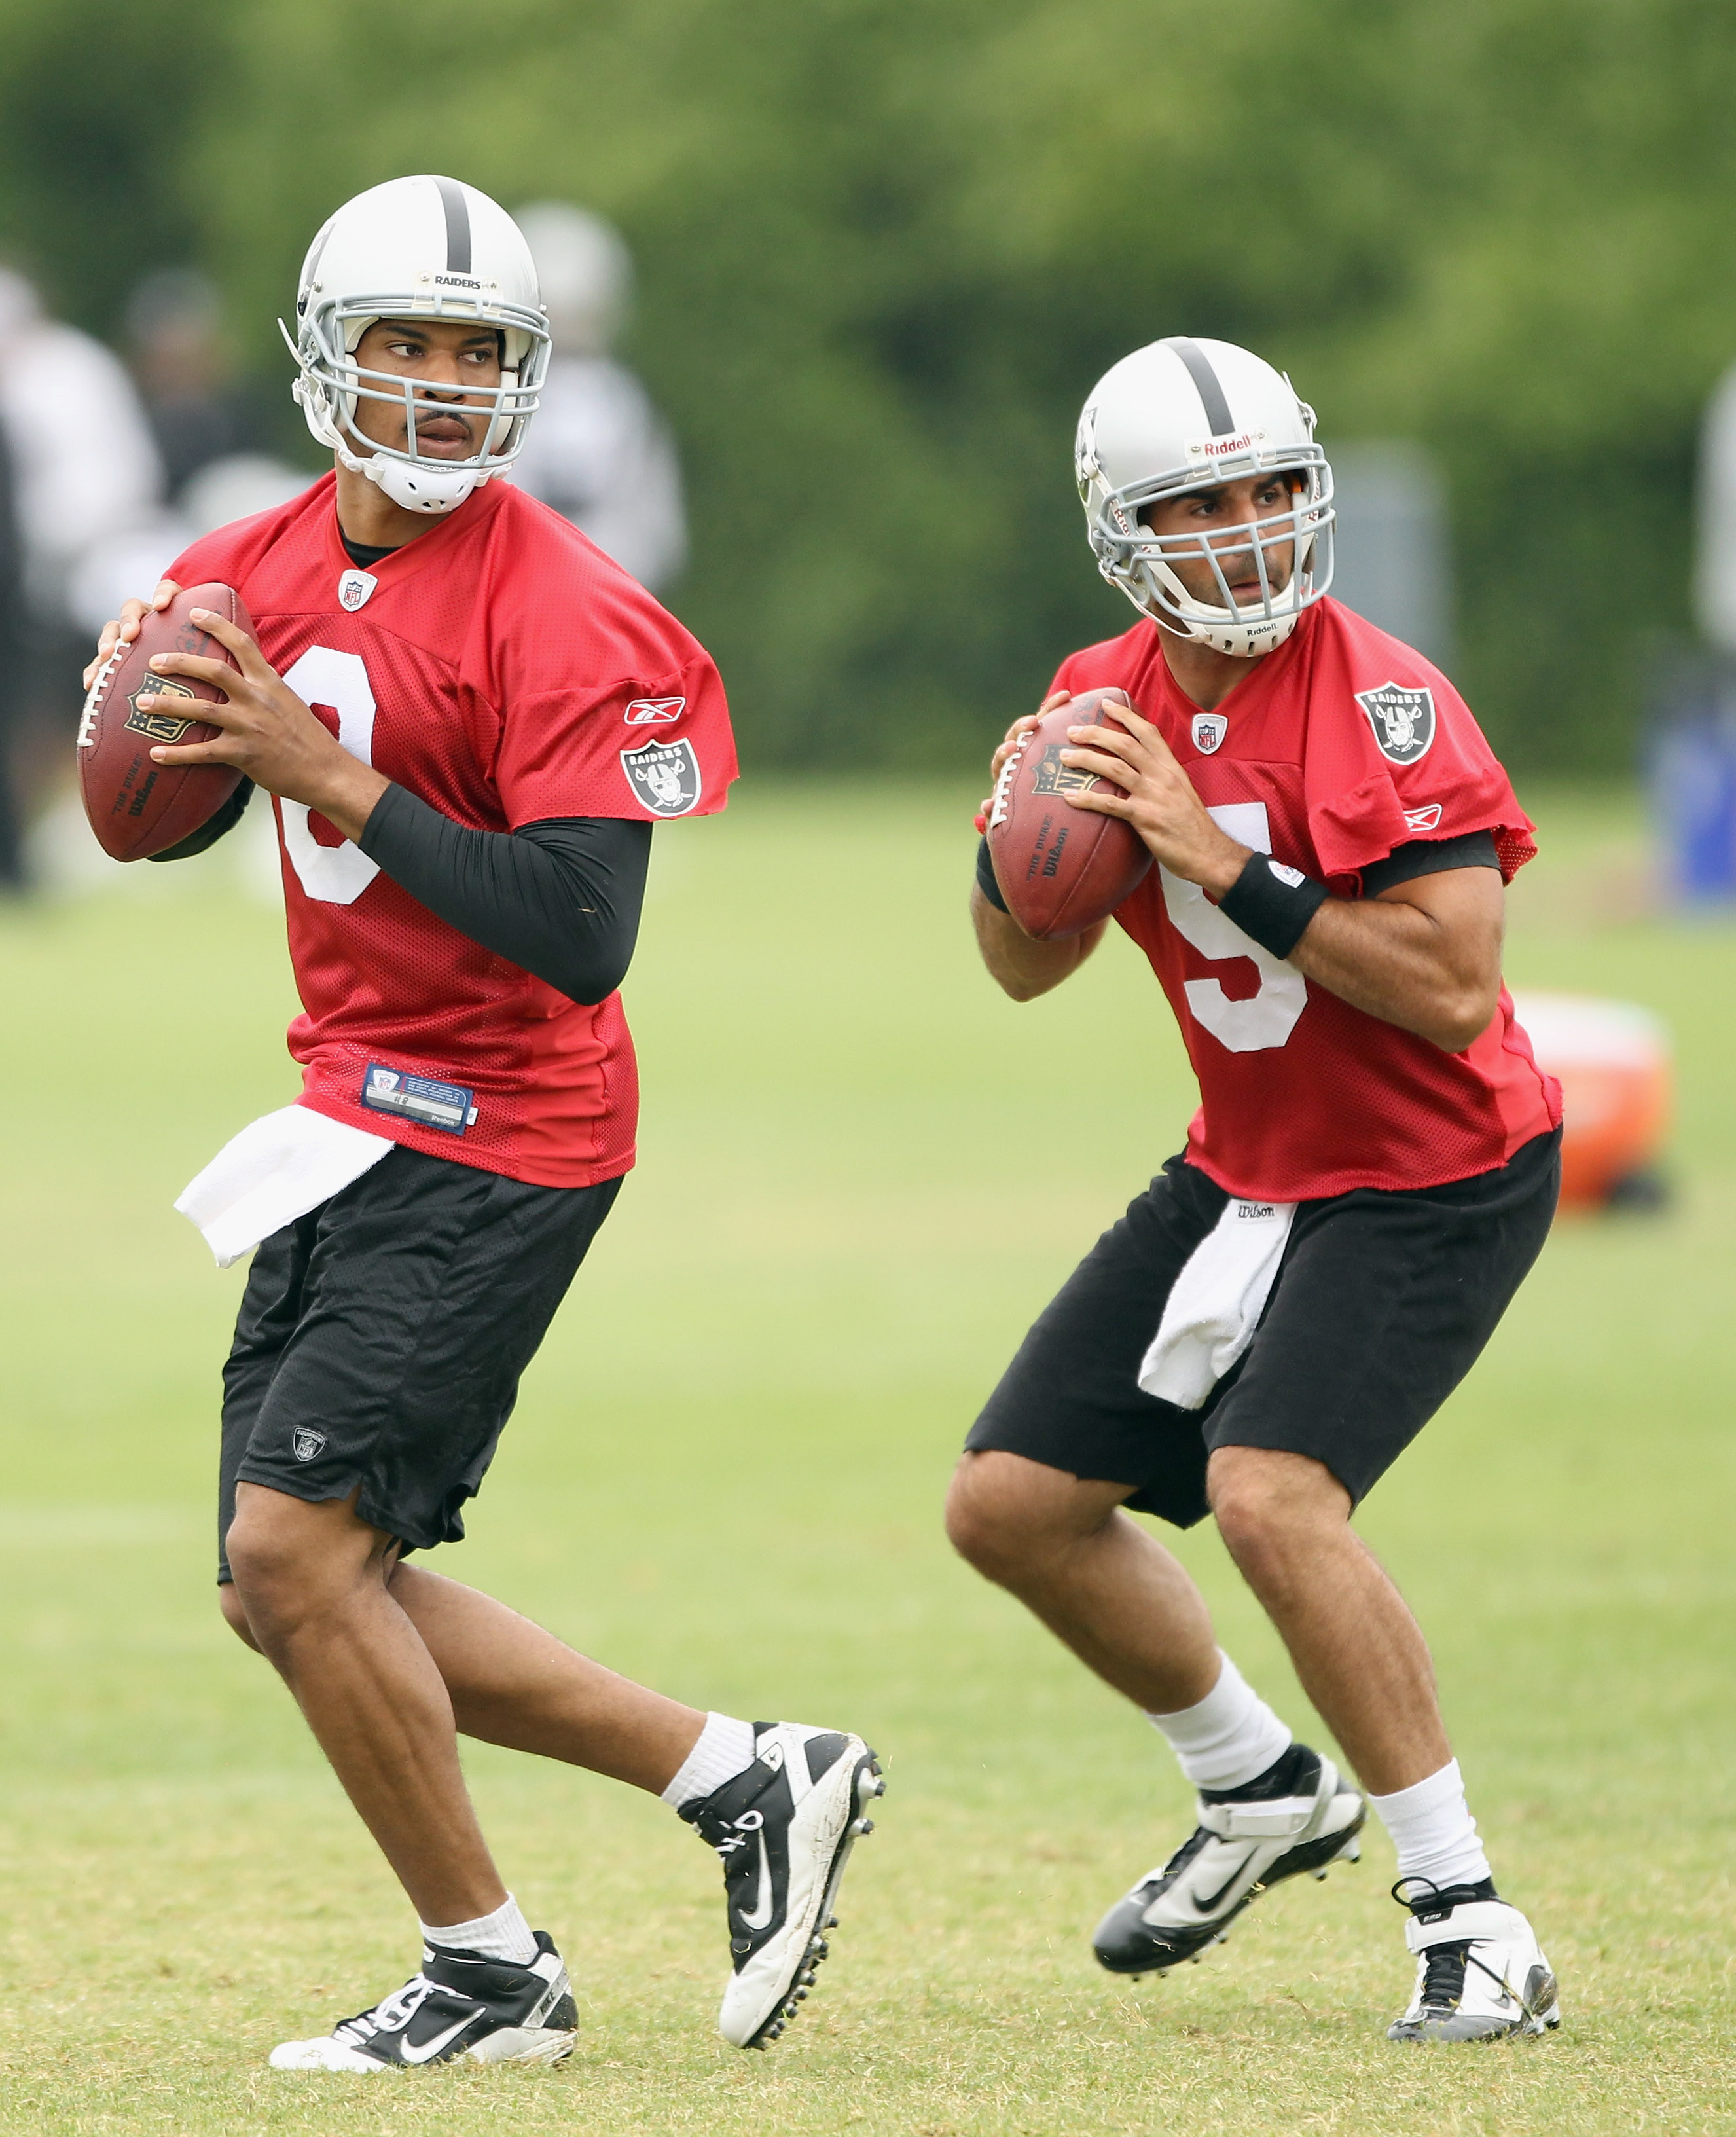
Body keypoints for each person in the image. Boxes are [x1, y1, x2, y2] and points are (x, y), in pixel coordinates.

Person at [86, 175, 880, 2073]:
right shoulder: (246, 565)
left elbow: (582, 937)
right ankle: (748, 1776)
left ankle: (489, 1973)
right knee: (283, 1590)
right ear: (324, 357)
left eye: (478, 355)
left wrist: (323, 774)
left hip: (509, 1126)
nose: (441, 388)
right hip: (352, 1108)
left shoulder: (572, 606)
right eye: (405, 346)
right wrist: (152, 723)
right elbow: (144, 818)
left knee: (294, 1561)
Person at [945, 336, 1563, 2045]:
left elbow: (1448, 991)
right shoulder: (1101, 693)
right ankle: (1255, 1788)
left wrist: (1222, 855)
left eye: (1270, 489)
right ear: (1117, 529)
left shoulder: (1386, 701)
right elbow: (1022, 970)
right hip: (1255, 1163)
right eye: (1196, 504)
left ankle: (1471, 1919)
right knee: (1008, 1506)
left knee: (1274, 1495)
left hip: (1440, 1165)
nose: (1244, 530)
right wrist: (1004, 838)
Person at [509, 202, 687, 592]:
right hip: (580, 595)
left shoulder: (620, 403)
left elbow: (652, 529)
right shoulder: (622, 401)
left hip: (586, 599)